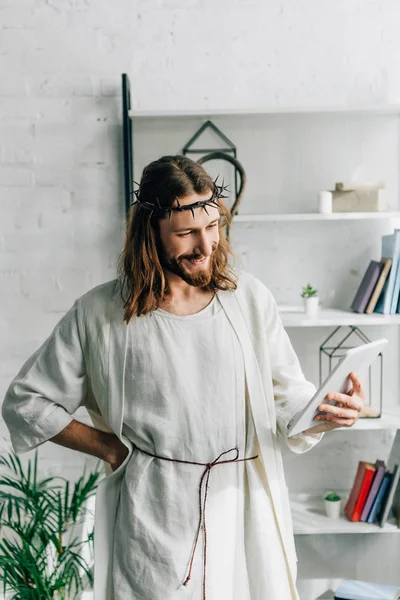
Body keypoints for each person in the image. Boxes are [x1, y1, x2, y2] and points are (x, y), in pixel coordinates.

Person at [2, 155, 364, 600]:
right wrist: (109, 448)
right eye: (187, 233)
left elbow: (288, 398)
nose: (206, 244)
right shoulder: (100, 314)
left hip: (242, 506)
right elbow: (26, 402)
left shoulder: (248, 299)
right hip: (155, 516)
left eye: (212, 227)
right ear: (149, 233)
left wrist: (324, 413)